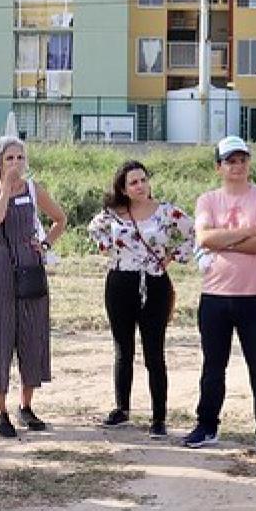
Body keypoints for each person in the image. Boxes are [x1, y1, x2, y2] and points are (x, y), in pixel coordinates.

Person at [186, 136, 256, 457]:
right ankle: (207, 426)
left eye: (242, 160)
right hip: (215, 295)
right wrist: (246, 232)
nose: (237, 166)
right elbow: (204, 237)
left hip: (254, 295)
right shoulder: (207, 200)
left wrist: (223, 241)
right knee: (213, 366)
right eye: (230, 161)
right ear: (219, 167)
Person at [87, 160, 195, 438]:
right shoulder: (113, 214)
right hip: (120, 281)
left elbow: (192, 232)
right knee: (123, 348)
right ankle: (122, 408)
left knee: (154, 352)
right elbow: (94, 230)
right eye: (133, 182)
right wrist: (108, 248)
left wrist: (172, 256)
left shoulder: (166, 211)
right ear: (123, 188)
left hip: (155, 283)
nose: (140, 186)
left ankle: (159, 416)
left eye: (143, 180)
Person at [0, 136, 66, 437]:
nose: (16, 164)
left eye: (20, 158)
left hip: (30, 265)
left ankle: (26, 406)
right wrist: (5, 189)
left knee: (32, 334)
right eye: (9, 158)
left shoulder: (33, 189)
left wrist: (44, 244)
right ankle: (1, 412)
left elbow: (59, 219)